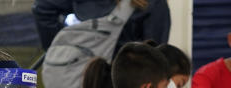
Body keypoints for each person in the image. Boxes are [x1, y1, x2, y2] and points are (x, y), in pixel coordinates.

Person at [32, 0, 170, 51]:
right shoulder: (152, 4)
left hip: (83, 86)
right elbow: (154, 57)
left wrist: (57, 48)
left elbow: (42, 8)